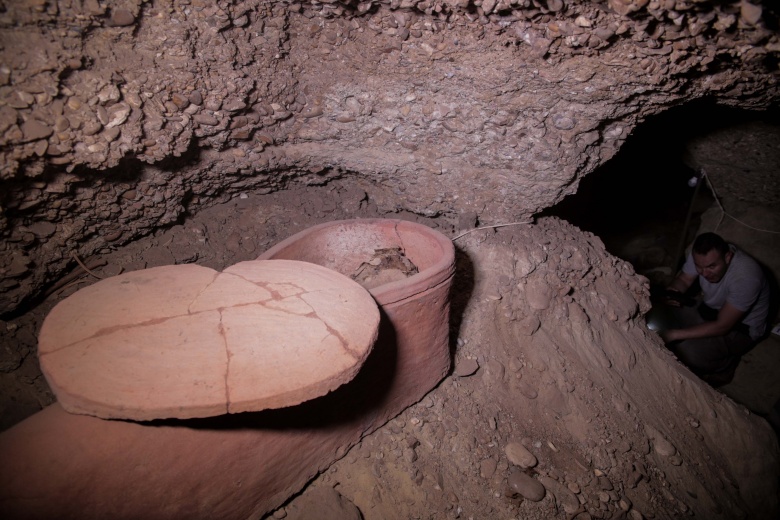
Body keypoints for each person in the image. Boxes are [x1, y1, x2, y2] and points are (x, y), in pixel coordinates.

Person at [660, 232, 770, 385]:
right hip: (711, 308)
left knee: (686, 353)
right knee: (662, 311)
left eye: (712, 267)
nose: (704, 273)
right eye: (699, 267)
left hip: (741, 328)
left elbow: (722, 326)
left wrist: (673, 335)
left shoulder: (747, 275)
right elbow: (684, 280)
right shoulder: (701, 255)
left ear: (728, 257)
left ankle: (724, 367)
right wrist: (671, 293)